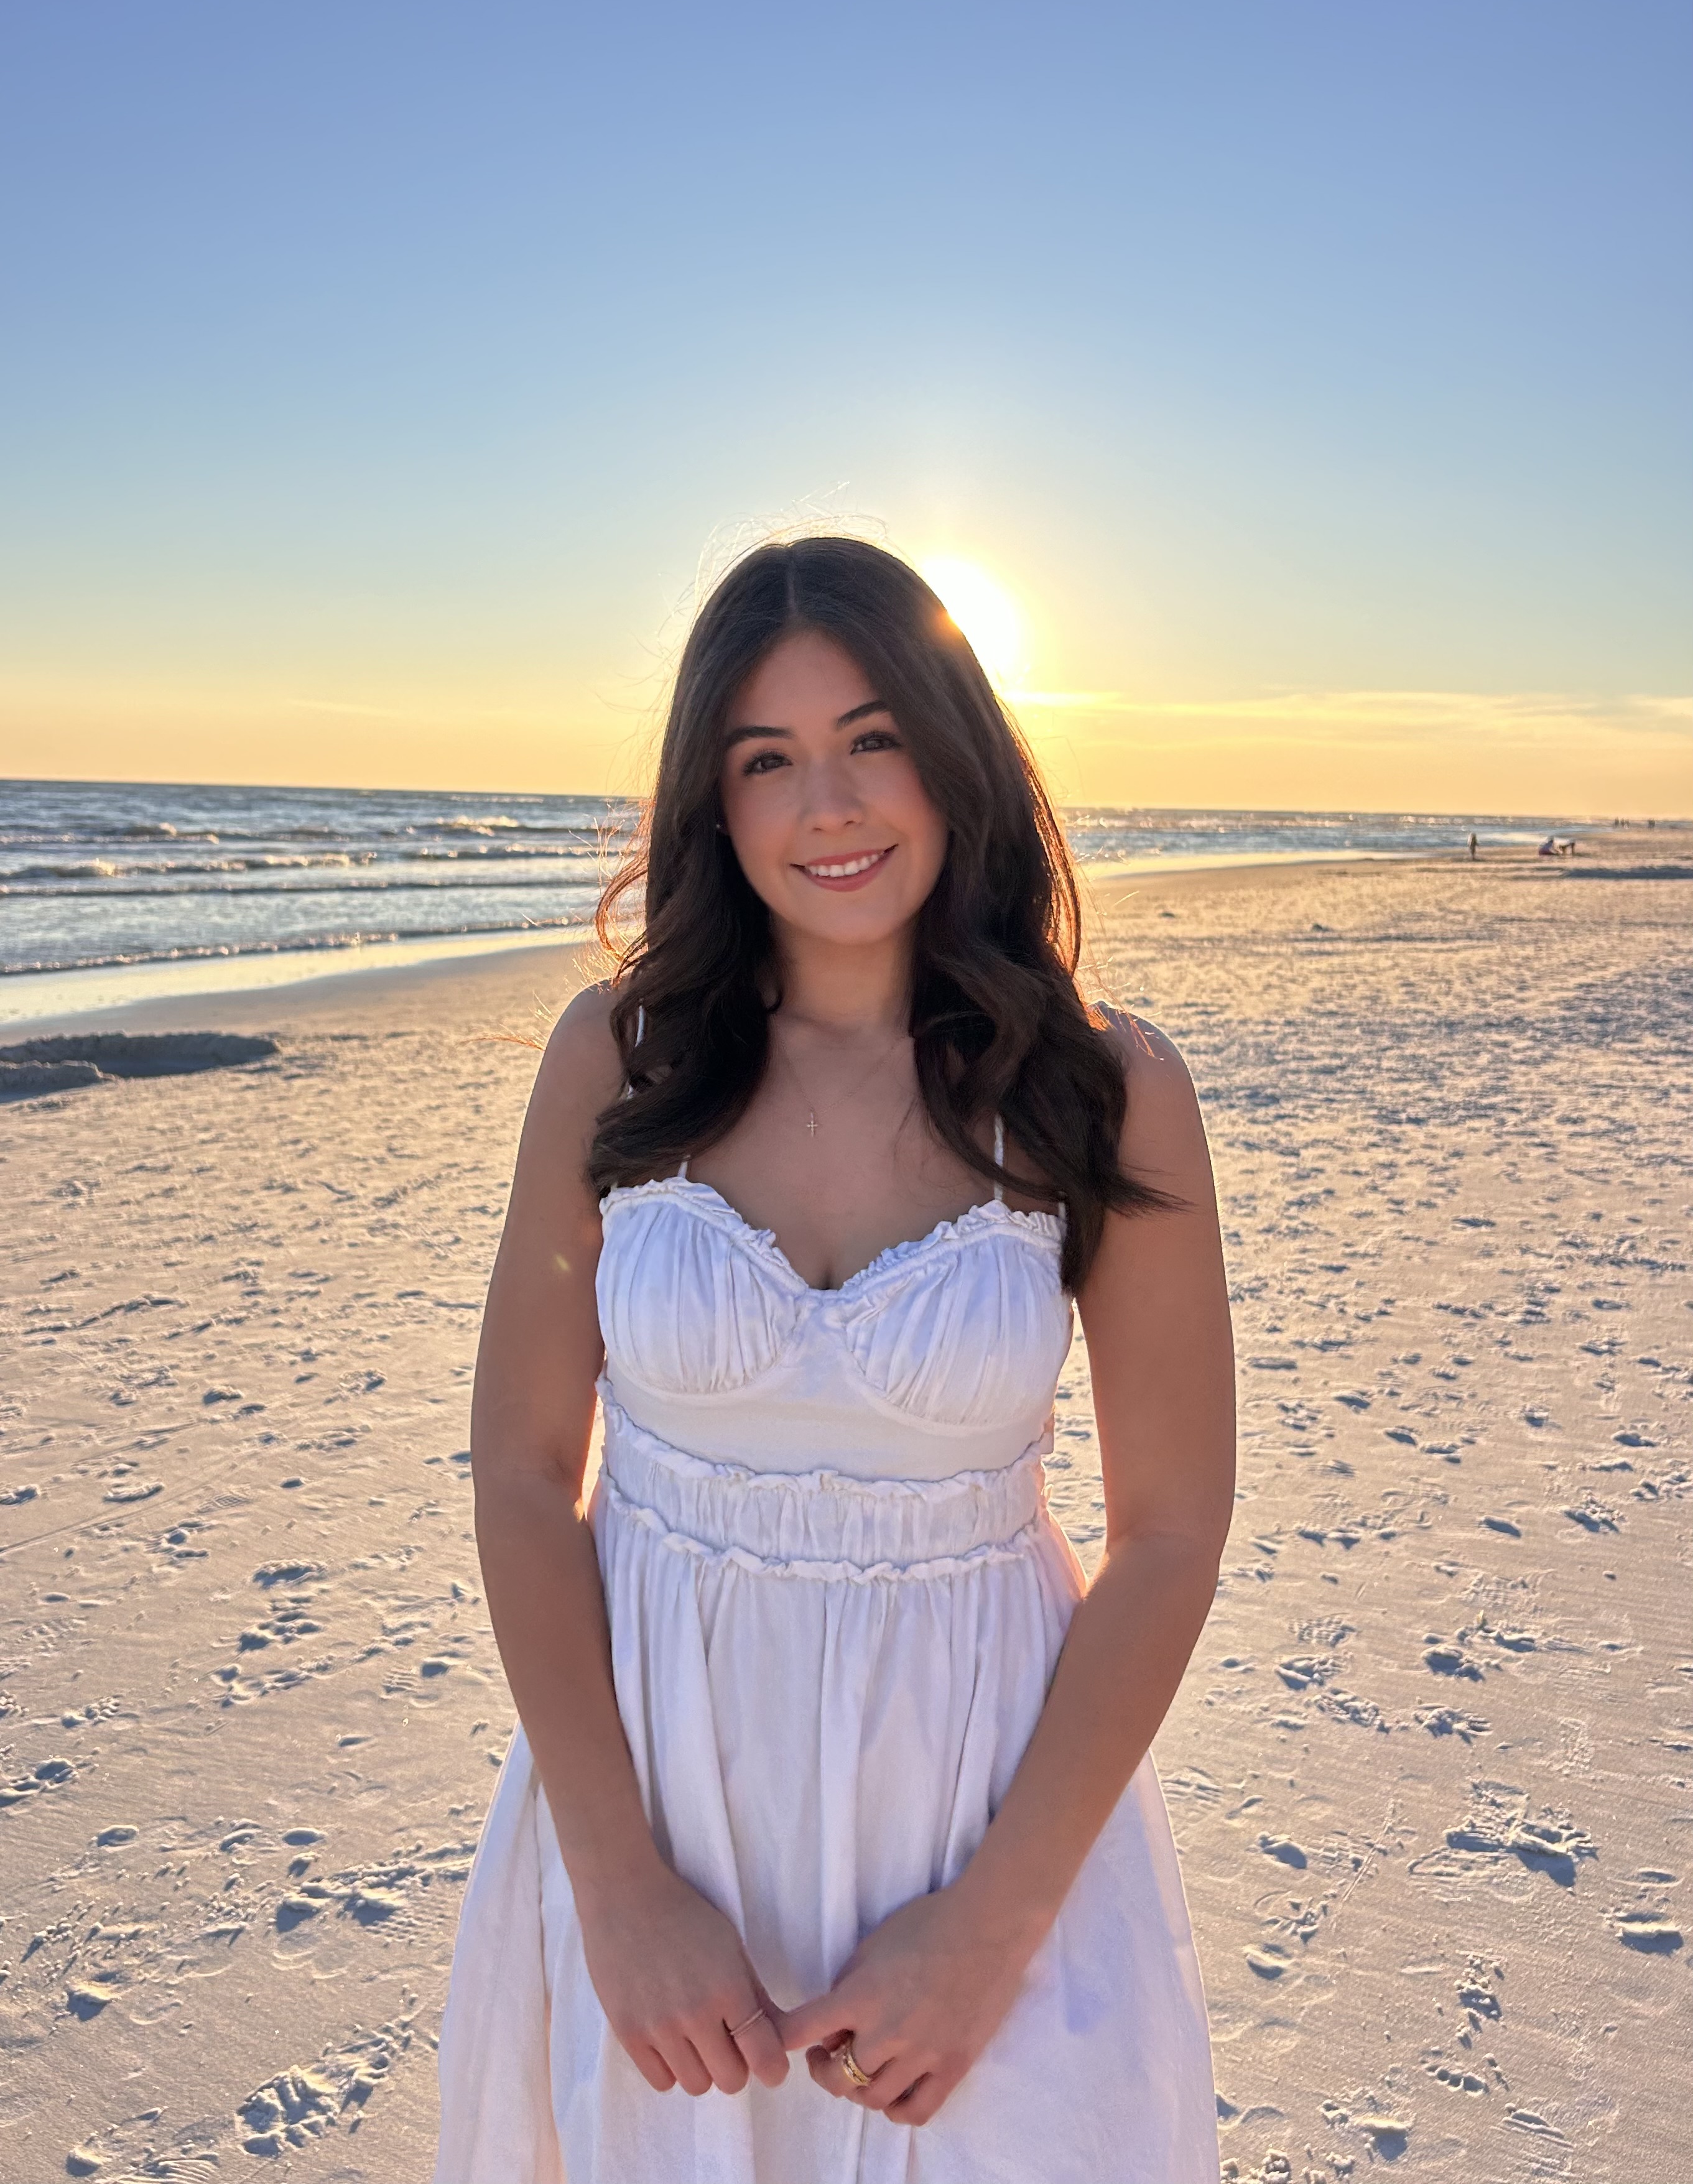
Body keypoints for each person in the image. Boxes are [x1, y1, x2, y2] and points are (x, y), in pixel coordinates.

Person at [434, 536, 1235, 2182]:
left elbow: (1169, 1530)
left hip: (978, 1826)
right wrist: (619, 1880)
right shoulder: (619, 1057)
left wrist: (986, 1932)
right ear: (712, 804)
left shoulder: (1101, 1088)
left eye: (872, 737)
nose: (830, 804)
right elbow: (520, 1473)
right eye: (766, 760)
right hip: (654, 1808)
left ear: (952, 757)